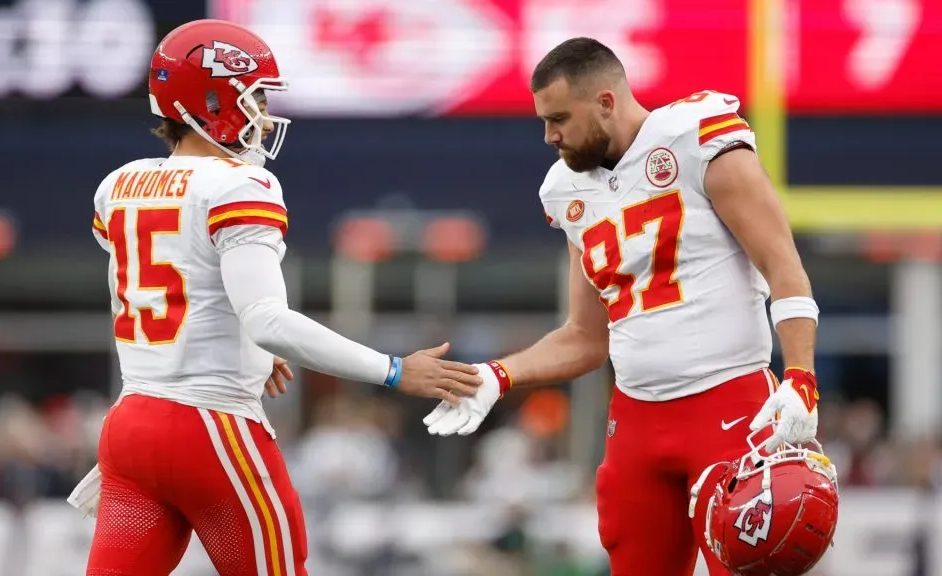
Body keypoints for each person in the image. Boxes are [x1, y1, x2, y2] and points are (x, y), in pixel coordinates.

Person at [71, 19, 481, 576]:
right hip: (210, 427)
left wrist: (241, 347)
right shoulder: (240, 185)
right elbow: (265, 319)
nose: (262, 115)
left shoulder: (116, 186)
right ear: (208, 101)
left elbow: (180, 289)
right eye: (253, 96)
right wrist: (392, 370)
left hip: (129, 427)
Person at [423, 37, 830, 575]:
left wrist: (800, 374)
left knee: (747, 564)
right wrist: (499, 375)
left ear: (607, 102)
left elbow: (784, 268)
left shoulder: (697, 138)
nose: (550, 136)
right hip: (635, 421)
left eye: (560, 118)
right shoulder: (566, 190)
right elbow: (585, 337)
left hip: (728, 406)